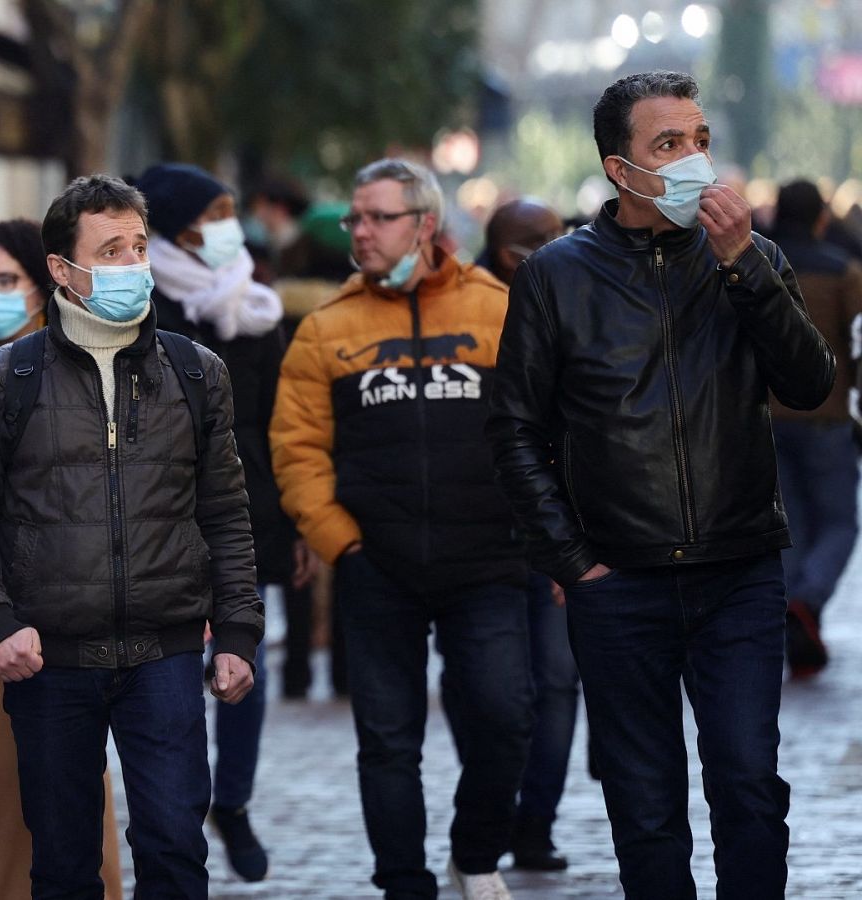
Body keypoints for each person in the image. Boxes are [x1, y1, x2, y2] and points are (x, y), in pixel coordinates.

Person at [487, 71, 835, 900]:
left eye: (700, 140)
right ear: (621, 168)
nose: (693, 160)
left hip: (739, 572)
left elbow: (810, 383)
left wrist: (744, 266)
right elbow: (514, 429)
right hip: (620, 582)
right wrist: (574, 562)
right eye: (669, 144)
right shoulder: (557, 275)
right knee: (644, 808)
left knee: (750, 787)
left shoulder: (753, 259)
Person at [0, 174, 263, 899]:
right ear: (62, 269)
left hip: (164, 652)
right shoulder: (2, 379)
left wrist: (239, 630)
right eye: (110, 250)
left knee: (176, 851)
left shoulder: (194, 370)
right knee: (62, 863)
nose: (131, 264)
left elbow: (224, 509)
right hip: (49, 657)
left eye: (138, 247)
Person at [271, 157, 533, 900]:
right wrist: (341, 543)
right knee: (388, 742)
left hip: (488, 561)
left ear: (425, 225)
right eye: (355, 217)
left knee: (506, 717)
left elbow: (545, 423)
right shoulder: (327, 328)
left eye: (379, 217)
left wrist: (537, 528)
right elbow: (297, 448)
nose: (360, 231)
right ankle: (404, 884)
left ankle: (475, 853)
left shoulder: (499, 309)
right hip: (377, 566)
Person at [0, 219, 127, 900]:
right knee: (0, 775)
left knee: (76, 771)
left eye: (7, 279)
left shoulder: (82, 356)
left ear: (45, 283)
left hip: (70, 590)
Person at [138, 161, 310, 883]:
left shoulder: (256, 306)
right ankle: (182, 809)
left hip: (248, 510)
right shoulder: (146, 305)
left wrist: (292, 520)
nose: (228, 228)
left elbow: (278, 424)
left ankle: (232, 800)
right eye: (215, 214)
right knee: (174, 673)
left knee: (246, 665)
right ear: (180, 228)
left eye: (231, 213)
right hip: (165, 515)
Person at [477, 198, 579, 872]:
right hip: (487, 533)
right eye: (543, 239)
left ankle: (535, 823)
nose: (560, 244)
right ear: (508, 254)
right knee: (498, 692)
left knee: (559, 683)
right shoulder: (474, 310)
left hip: (557, 529)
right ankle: (492, 818)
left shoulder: (574, 294)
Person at [768, 178, 862, 678]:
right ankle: (808, 600)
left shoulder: (754, 266)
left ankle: (797, 621)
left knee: (793, 527)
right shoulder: (842, 272)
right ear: (822, 218)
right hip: (827, 416)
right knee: (841, 523)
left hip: (766, 418)